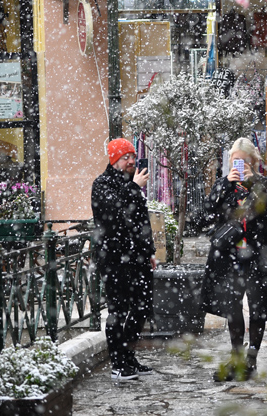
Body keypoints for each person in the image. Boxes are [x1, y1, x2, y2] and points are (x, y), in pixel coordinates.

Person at [200, 138, 267, 381]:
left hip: (258, 256)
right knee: (232, 307)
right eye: (234, 160)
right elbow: (206, 214)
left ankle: (251, 359)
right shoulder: (223, 185)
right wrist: (223, 188)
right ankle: (236, 357)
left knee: (258, 307)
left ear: (253, 162)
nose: (238, 164)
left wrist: (253, 182)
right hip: (229, 257)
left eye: (243, 160)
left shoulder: (263, 184)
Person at [91, 138, 157, 381]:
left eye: (132, 156)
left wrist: (149, 251)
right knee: (117, 311)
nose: (131, 161)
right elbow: (113, 212)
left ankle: (128, 357)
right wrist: (134, 189)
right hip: (114, 258)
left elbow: (142, 221)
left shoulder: (131, 183)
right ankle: (118, 365)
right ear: (114, 160)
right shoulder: (102, 184)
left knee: (142, 307)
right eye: (125, 157)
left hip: (138, 257)